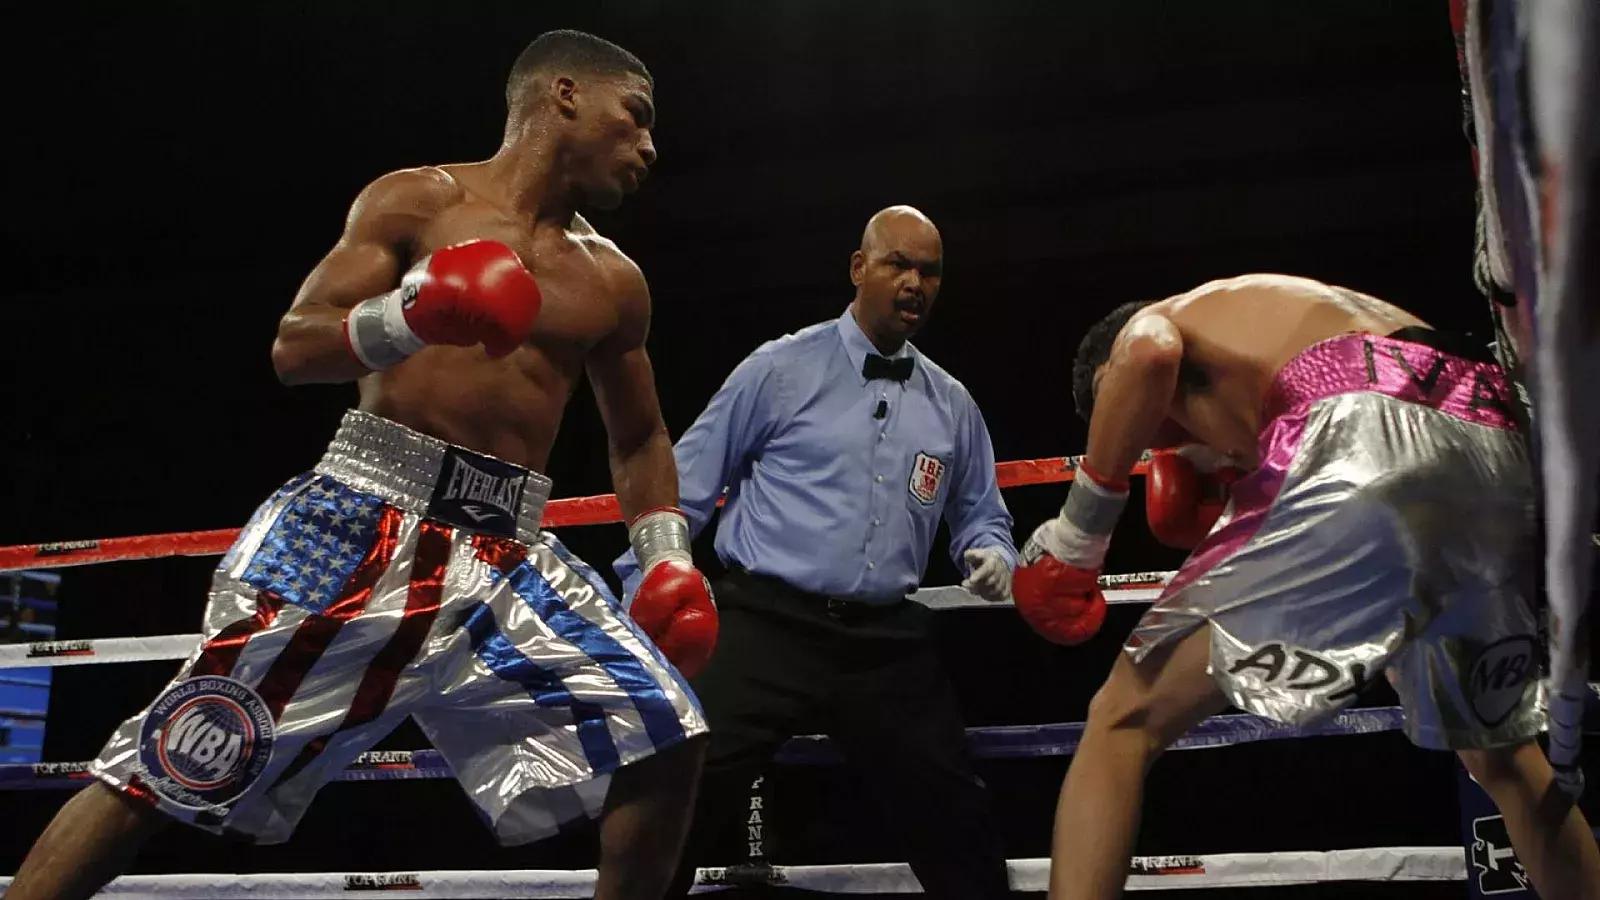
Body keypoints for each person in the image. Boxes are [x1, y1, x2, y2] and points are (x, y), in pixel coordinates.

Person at [4, 30, 716, 900]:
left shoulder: (614, 279)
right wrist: (413, 314)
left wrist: (667, 557)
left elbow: (638, 438)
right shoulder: (419, 201)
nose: (650, 147)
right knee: (187, 749)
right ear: (563, 95)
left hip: (509, 552)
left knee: (665, 731)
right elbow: (294, 348)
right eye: (635, 117)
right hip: (367, 518)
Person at [1009, 272, 1600, 900]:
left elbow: (1148, 351)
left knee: (1121, 719)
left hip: (1355, 424)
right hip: (1491, 428)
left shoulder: (1158, 323)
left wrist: (1079, 535)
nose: (1161, 440)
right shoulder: (1275, 321)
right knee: (1505, 756)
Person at [613, 206, 1019, 899]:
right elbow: (681, 485)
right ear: (860, 269)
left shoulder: (951, 403)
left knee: (954, 808)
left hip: (884, 641)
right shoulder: (780, 369)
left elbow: (982, 516)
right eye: (898, 264)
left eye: (930, 272)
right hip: (767, 620)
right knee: (677, 779)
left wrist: (991, 554)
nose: (914, 282)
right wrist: (646, 580)